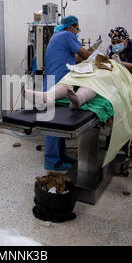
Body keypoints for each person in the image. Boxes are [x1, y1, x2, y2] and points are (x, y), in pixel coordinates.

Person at [35, 15, 99, 171]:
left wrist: (90, 50)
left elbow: (75, 59)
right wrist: (101, 57)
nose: (77, 32)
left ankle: (60, 155)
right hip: (56, 83)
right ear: (71, 27)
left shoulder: (58, 37)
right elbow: (85, 56)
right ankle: (51, 161)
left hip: (52, 80)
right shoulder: (67, 35)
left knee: (58, 122)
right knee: (52, 123)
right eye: (77, 29)